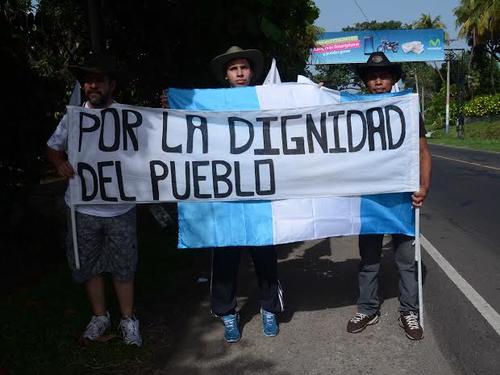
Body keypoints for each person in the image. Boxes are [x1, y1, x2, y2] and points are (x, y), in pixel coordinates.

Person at [46, 54, 142, 346]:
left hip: (120, 208)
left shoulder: (128, 116)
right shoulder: (72, 119)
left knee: (124, 265)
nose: (92, 85)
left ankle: (128, 319)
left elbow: (153, 148)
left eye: (98, 80)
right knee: (88, 265)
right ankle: (100, 316)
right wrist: (58, 163)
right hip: (82, 208)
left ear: (111, 85)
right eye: (87, 81)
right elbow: (52, 148)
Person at [346, 52, 432, 340]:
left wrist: (423, 187)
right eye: (372, 76)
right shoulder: (353, 112)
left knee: (406, 260)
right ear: (366, 82)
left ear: (393, 79)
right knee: (368, 259)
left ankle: (409, 311)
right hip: (370, 200)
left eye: (383, 75)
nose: (378, 80)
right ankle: (368, 308)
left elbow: (422, 152)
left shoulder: (407, 109)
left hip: (401, 200)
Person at [208, 46, 284, 343]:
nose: (239, 73)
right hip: (226, 195)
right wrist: (170, 110)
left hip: (260, 194)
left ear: (252, 72)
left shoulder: (266, 101)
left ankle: (269, 309)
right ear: (226, 75)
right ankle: (227, 313)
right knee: (225, 256)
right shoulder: (210, 104)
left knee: (265, 254)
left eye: (244, 67)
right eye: (233, 68)